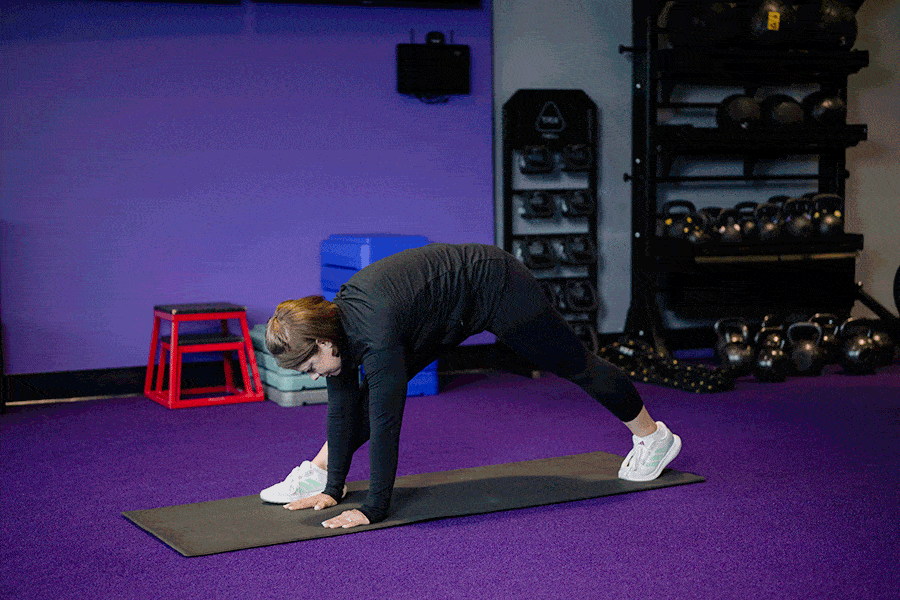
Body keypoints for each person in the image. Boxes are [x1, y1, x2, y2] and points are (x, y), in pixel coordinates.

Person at [261, 243, 681, 529]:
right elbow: (342, 407)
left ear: (323, 341)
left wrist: (373, 510)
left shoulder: (375, 333)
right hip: (440, 316)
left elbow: (386, 421)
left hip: (494, 285)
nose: (313, 376)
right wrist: (334, 489)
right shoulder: (335, 330)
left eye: (311, 366)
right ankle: (317, 475)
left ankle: (653, 436)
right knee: (359, 397)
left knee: (576, 365)